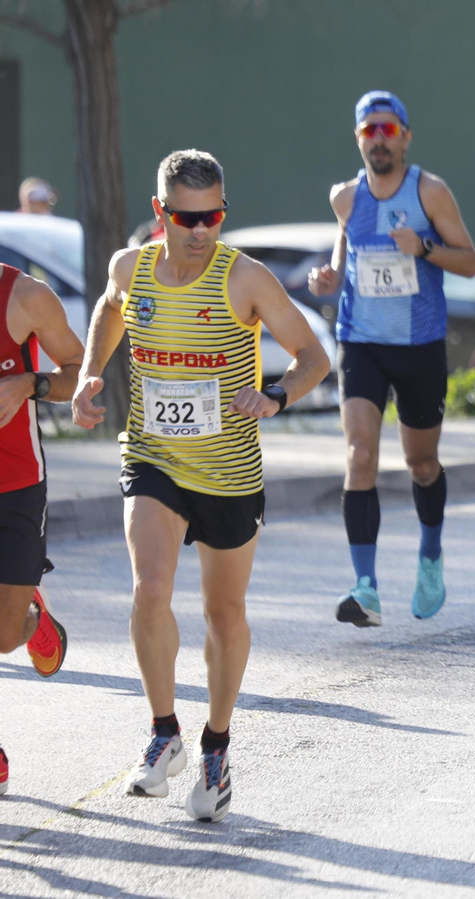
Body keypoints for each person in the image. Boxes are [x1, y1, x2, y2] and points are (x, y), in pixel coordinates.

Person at [70, 150, 329, 821]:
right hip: (154, 455)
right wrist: (90, 373)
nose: (200, 229)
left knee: (224, 613)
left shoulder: (244, 278)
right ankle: (163, 733)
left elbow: (314, 357)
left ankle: (216, 745)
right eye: (186, 217)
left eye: (212, 215)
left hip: (229, 469)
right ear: (160, 213)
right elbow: (110, 307)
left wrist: (276, 394)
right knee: (149, 590)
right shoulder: (133, 268)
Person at [307, 91, 475, 627]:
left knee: (420, 463)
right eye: (368, 130)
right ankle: (366, 588)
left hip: (419, 346)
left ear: (405, 136)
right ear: (358, 138)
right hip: (360, 341)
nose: (378, 139)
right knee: (360, 457)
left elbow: (470, 261)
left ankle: (430, 555)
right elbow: (347, 247)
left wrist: (424, 248)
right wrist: (330, 276)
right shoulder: (344, 196)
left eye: (388, 129)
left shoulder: (429, 191)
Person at [0, 250, 83, 793]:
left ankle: (32, 615)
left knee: (4, 637)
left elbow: (83, 373)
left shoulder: (24, 296)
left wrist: (29, 383)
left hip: (16, 485)